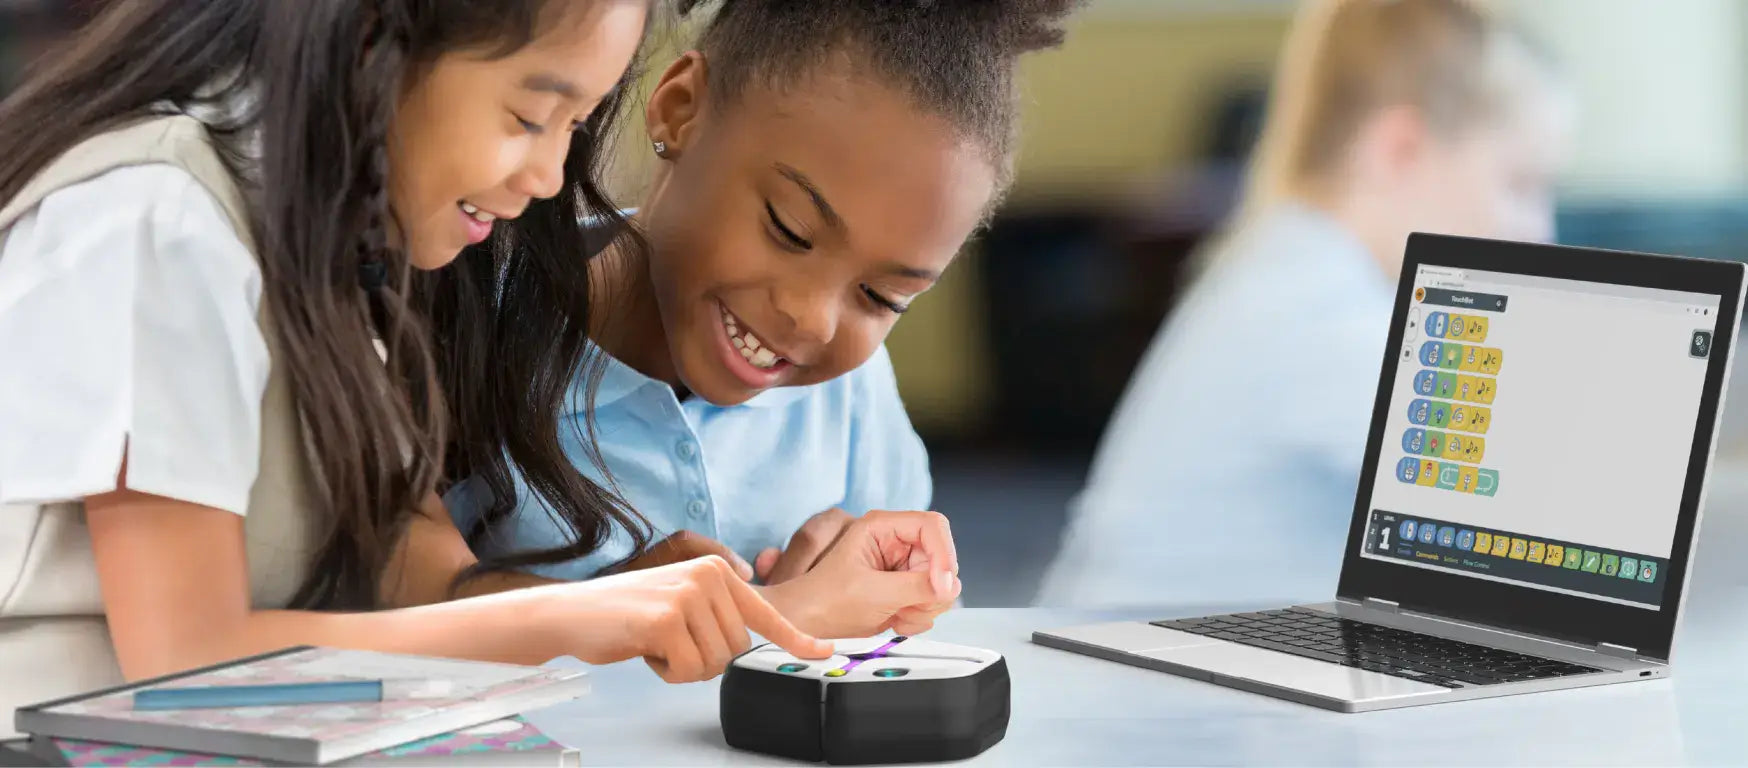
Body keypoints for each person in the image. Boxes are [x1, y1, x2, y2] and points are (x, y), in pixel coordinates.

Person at [0, 0, 956, 729]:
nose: (548, 178)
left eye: (575, 126)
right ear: (378, 43)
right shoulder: (163, 223)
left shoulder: (331, 250)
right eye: (530, 116)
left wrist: (658, 609)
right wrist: (599, 615)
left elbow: (382, 598)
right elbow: (185, 663)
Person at [449, 0, 1079, 593]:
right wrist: (614, 616)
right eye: (790, 230)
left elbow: (912, 648)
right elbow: (389, 607)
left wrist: (879, 609)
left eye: (882, 297)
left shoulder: (852, 400)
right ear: (680, 110)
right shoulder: (474, 321)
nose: (811, 319)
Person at [1038, 0, 1573, 607]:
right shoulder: (1316, 308)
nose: (1541, 232)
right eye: (1521, 185)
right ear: (1398, 149)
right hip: (1145, 685)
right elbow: (1545, 513)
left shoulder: (1290, 261)